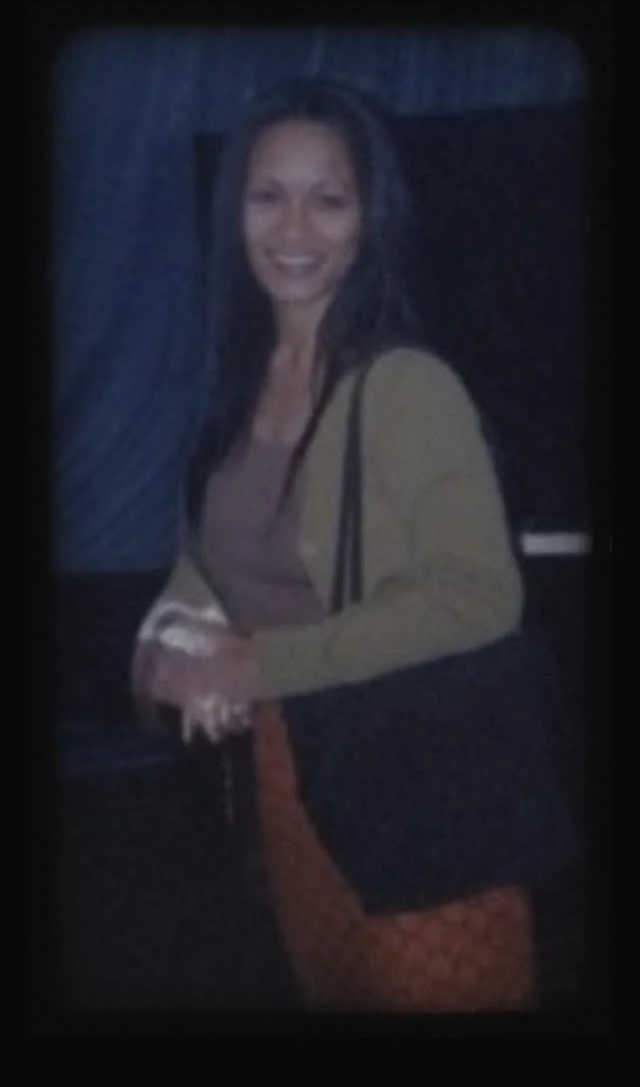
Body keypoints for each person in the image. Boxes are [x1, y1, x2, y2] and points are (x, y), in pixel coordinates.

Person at [131, 77, 537, 1011]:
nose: (294, 229)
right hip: (293, 784)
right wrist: (159, 654)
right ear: (235, 211)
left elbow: (481, 594)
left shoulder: (405, 386)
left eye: (329, 198)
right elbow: (204, 568)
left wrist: (254, 666)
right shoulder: (238, 380)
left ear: (369, 218)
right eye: (268, 195)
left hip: (417, 790)